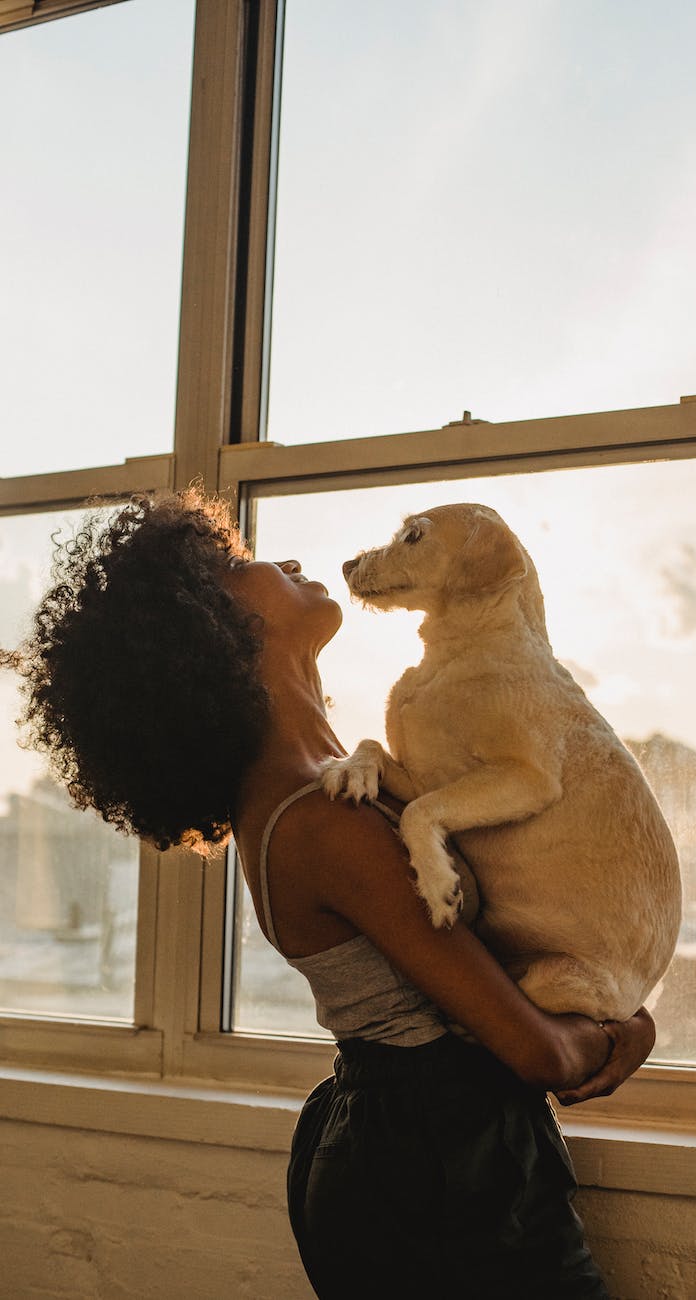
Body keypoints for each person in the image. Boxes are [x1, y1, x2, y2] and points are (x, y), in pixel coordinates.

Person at [5, 489, 656, 1299]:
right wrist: (627, 1026)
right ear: (213, 629)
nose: (286, 562)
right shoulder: (323, 823)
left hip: (418, 1146)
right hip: (436, 1164)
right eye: (242, 568)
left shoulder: (337, 783)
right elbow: (539, 1052)